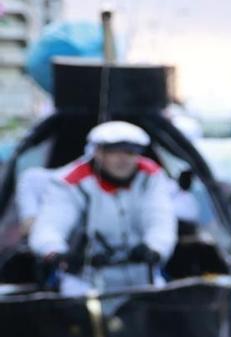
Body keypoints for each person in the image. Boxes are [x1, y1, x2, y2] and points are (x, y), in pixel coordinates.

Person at [29, 120, 178, 293]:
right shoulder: (70, 181)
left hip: (142, 279)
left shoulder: (151, 176)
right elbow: (49, 226)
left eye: (130, 153)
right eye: (115, 152)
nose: (124, 159)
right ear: (98, 153)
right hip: (85, 282)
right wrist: (56, 252)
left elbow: (161, 219)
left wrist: (155, 248)